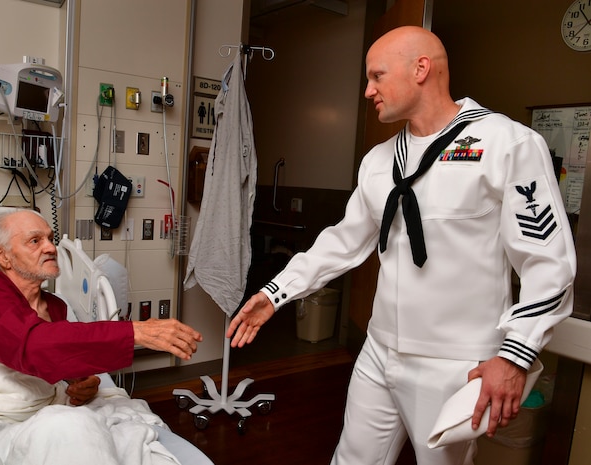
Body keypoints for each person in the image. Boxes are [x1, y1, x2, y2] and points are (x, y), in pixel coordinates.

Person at [226, 26, 576, 465]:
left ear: (421, 69)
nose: (368, 91)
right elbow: (342, 241)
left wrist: (514, 356)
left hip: (456, 362)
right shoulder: (377, 161)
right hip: (379, 352)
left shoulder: (506, 144)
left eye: (376, 76)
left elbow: (549, 264)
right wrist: (275, 293)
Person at [0, 209, 202, 405]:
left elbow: (57, 357)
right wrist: (135, 332)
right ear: (3, 256)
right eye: (35, 241)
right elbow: (31, 346)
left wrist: (82, 382)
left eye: (50, 238)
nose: (51, 248)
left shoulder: (55, 307)